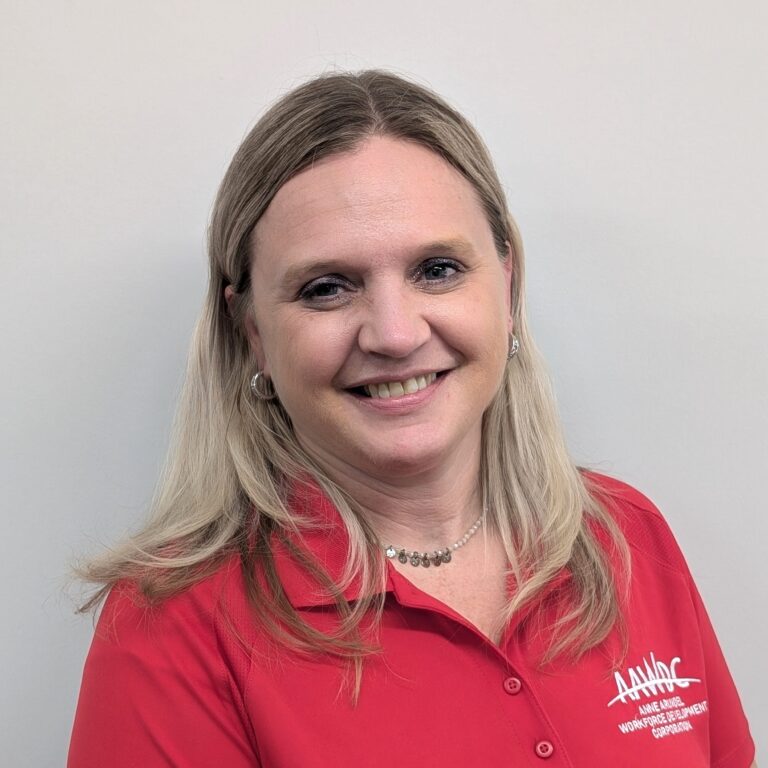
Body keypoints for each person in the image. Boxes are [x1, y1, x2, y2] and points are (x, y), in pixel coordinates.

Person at [68, 70, 755, 767]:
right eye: (326, 288)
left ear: (507, 285)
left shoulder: (626, 536)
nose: (393, 335)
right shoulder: (171, 627)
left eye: (436, 270)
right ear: (252, 332)